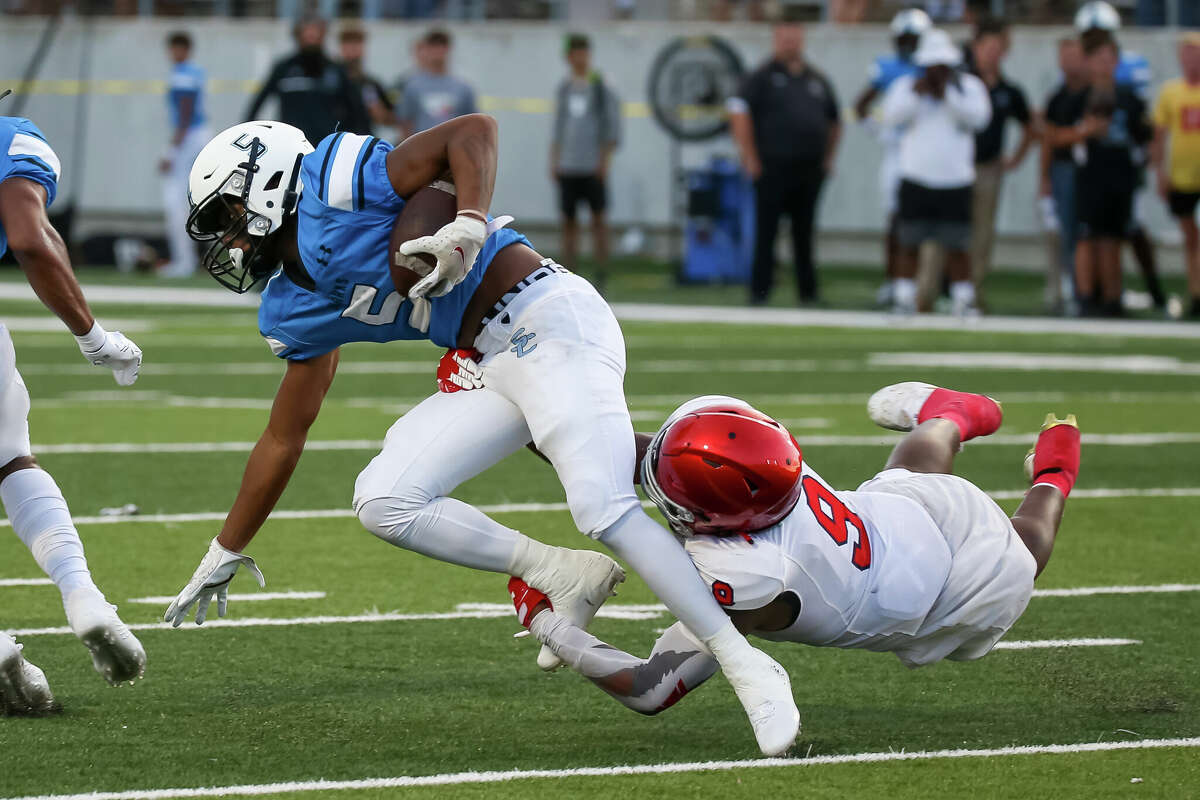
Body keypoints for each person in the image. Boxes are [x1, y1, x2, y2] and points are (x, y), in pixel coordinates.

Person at [163, 116, 801, 756]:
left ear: (267, 179)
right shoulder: (289, 306)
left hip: (546, 314)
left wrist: (468, 221)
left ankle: (746, 664)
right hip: (490, 358)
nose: (230, 236)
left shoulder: (337, 183)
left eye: (230, 211)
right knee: (385, 498)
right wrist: (226, 547)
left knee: (601, 504)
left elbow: (472, 131)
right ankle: (560, 573)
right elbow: (284, 435)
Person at [509, 382, 1080, 716]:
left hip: (935, 589)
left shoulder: (751, 580)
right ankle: (952, 413)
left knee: (1024, 551)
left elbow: (649, 687)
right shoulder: (763, 463)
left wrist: (548, 624)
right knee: (912, 476)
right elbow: (623, 456)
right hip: (890, 524)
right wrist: (520, 416)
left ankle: (1055, 470)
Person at [0, 116, 147, 713]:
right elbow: (33, 238)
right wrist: (92, 336)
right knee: (11, 460)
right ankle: (83, 595)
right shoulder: (12, 135)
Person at [729, 23, 841, 306]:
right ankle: (759, 291)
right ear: (776, 41)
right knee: (766, 232)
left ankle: (808, 292)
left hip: (809, 169)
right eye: (784, 38)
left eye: (794, 38)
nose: (790, 44)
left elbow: (834, 120)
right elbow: (739, 114)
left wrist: (828, 158)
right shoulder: (761, 77)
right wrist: (749, 157)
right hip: (771, 168)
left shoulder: (816, 79)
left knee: (804, 233)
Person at [881, 29, 991, 317]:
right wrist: (918, 96)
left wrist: (948, 94)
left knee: (957, 245)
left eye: (941, 67)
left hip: (955, 180)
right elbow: (890, 117)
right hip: (916, 177)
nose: (936, 73)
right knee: (909, 242)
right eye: (931, 67)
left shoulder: (968, 87)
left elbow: (979, 120)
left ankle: (963, 299)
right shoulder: (907, 86)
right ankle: (904, 297)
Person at [1048, 31, 1152, 317]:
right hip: (1088, 174)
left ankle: (1111, 298)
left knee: (1112, 238)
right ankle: (1084, 297)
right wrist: (1085, 131)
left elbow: (1145, 136)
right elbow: (1054, 136)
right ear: (1089, 62)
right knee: (1086, 236)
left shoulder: (1128, 98)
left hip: (1120, 174)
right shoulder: (1077, 97)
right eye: (1099, 58)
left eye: (1110, 59)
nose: (1104, 64)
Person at [1076, 1, 1165, 310]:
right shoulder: (1082, 75)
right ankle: (1096, 293)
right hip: (1093, 167)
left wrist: (1147, 157)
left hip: (1126, 164)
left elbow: (1143, 123)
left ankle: (1149, 286)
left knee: (1130, 229)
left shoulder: (1130, 70)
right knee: (1093, 233)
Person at [852, 8, 932, 308]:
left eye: (914, 38)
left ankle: (927, 282)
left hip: (929, 153)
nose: (909, 43)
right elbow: (861, 105)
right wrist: (879, 131)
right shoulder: (887, 68)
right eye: (904, 37)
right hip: (899, 153)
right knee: (896, 221)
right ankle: (893, 279)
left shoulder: (936, 67)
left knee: (929, 221)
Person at [968, 18, 1034, 311]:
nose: (992, 54)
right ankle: (948, 288)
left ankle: (974, 291)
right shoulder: (962, 83)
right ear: (976, 48)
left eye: (997, 48)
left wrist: (1016, 158)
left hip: (989, 167)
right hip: (957, 169)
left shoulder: (1009, 90)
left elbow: (1031, 125)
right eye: (987, 47)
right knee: (952, 231)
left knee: (983, 234)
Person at [550, 33, 621, 293]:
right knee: (568, 221)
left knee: (598, 219)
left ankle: (601, 271)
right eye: (574, 52)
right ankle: (569, 271)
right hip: (568, 165)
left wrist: (604, 160)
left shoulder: (600, 84)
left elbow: (611, 125)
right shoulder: (565, 86)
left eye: (583, 52)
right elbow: (558, 127)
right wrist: (554, 159)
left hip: (592, 165)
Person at [243, 15, 370, 145]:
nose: (311, 39)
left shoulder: (336, 71)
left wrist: (359, 145)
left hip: (325, 149)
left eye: (315, 35)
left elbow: (357, 111)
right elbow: (258, 103)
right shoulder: (283, 69)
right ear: (298, 36)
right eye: (307, 35)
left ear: (323, 36)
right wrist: (248, 136)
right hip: (289, 146)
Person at [1151, 32, 1200, 319]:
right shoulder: (1171, 92)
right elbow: (1159, 137)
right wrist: (1160, 173)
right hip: (1181, 178)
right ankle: (1195, 292)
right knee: (1190, 239)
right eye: (1187, 52)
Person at [1040, 37, 1089, 315]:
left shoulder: (1092, 93)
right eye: (1065, 56)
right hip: (1063, 170)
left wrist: (1064, 136)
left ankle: (1084, 290)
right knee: (1064, 233)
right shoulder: (1057, 97)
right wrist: (1044, 179)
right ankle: (1067, 289)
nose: (1069, 62)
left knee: (1085, 233)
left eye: (1074, 55)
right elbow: (1049, 139)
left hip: (1090, 172)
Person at [158, 31, 209, 278]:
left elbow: (185, 115)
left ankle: (184, 260)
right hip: (197, 136)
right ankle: (187, 258)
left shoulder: (183, 75)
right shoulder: (194, 72)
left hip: (190, 138)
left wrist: (171, 150)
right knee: (193, 201)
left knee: (174, 201)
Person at [397, 30, 477, 139]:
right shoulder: (413, 86)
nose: (438, 50)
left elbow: (472, 124)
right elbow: (405, 123)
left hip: (453, 150)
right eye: (433, 45)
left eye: (442, 45)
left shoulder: (463, 87)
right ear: (427, 49)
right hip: (422, 149)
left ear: (448, 49)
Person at [338, 26, 398, 132]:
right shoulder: (331, 81)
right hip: (334, 142)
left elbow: (389, 119)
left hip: (363, 143)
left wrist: (378, 110)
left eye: (357, 44)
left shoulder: (370, 84)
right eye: (348, 44)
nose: (352, 49)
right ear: (341, 48)